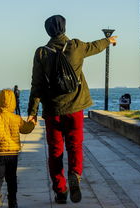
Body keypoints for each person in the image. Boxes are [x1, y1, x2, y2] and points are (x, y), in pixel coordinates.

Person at [27, 15, 117, 204]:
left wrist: (32, 113)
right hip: (75, 107)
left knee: (55, 150)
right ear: (64, 27)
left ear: (47, 31)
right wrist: (109, 40)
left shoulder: (41, 53)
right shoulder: (76, 46)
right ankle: (75, 174)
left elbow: (37, 85)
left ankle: (60, 190)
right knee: (75, 145)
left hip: (52, 110)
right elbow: (95, 46)